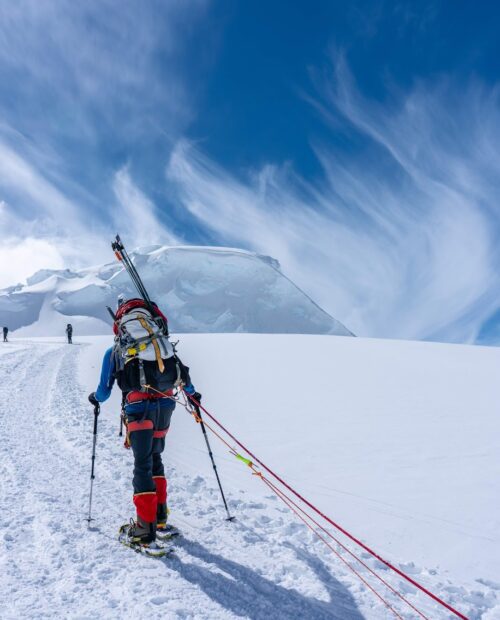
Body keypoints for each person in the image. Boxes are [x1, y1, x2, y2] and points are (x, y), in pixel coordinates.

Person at [88, 297, 201, 545]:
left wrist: (94, 399)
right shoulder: (162, 346)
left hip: (139, 410)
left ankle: (144, 529)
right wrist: (193, 397)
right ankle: (159, 518)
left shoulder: (116, 351)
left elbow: (104, 392)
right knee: (156, 457)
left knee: (142, 464)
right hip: (166, 405)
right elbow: (184, 377)